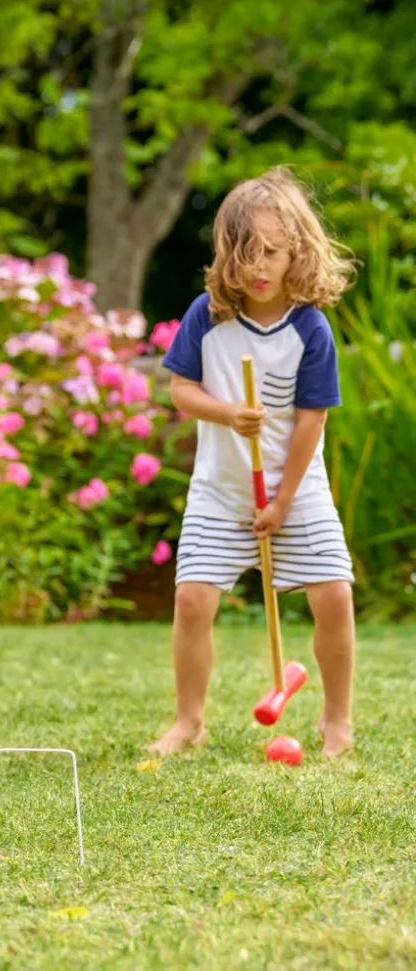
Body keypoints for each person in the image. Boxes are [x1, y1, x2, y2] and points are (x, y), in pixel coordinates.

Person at [149, 167, 356, 759]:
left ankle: (335, 721)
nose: (258, 267)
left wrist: (284, 502)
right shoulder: (207, 316)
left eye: (271, 251)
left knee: (334, 595)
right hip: (221, 490)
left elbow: (311, 421)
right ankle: (189, 721)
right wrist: (225, 413)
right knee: (192, 600)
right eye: (244, 253)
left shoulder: (310, 329)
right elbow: (180, 391)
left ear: (298, 251)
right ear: (225, 254)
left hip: (297, 489)